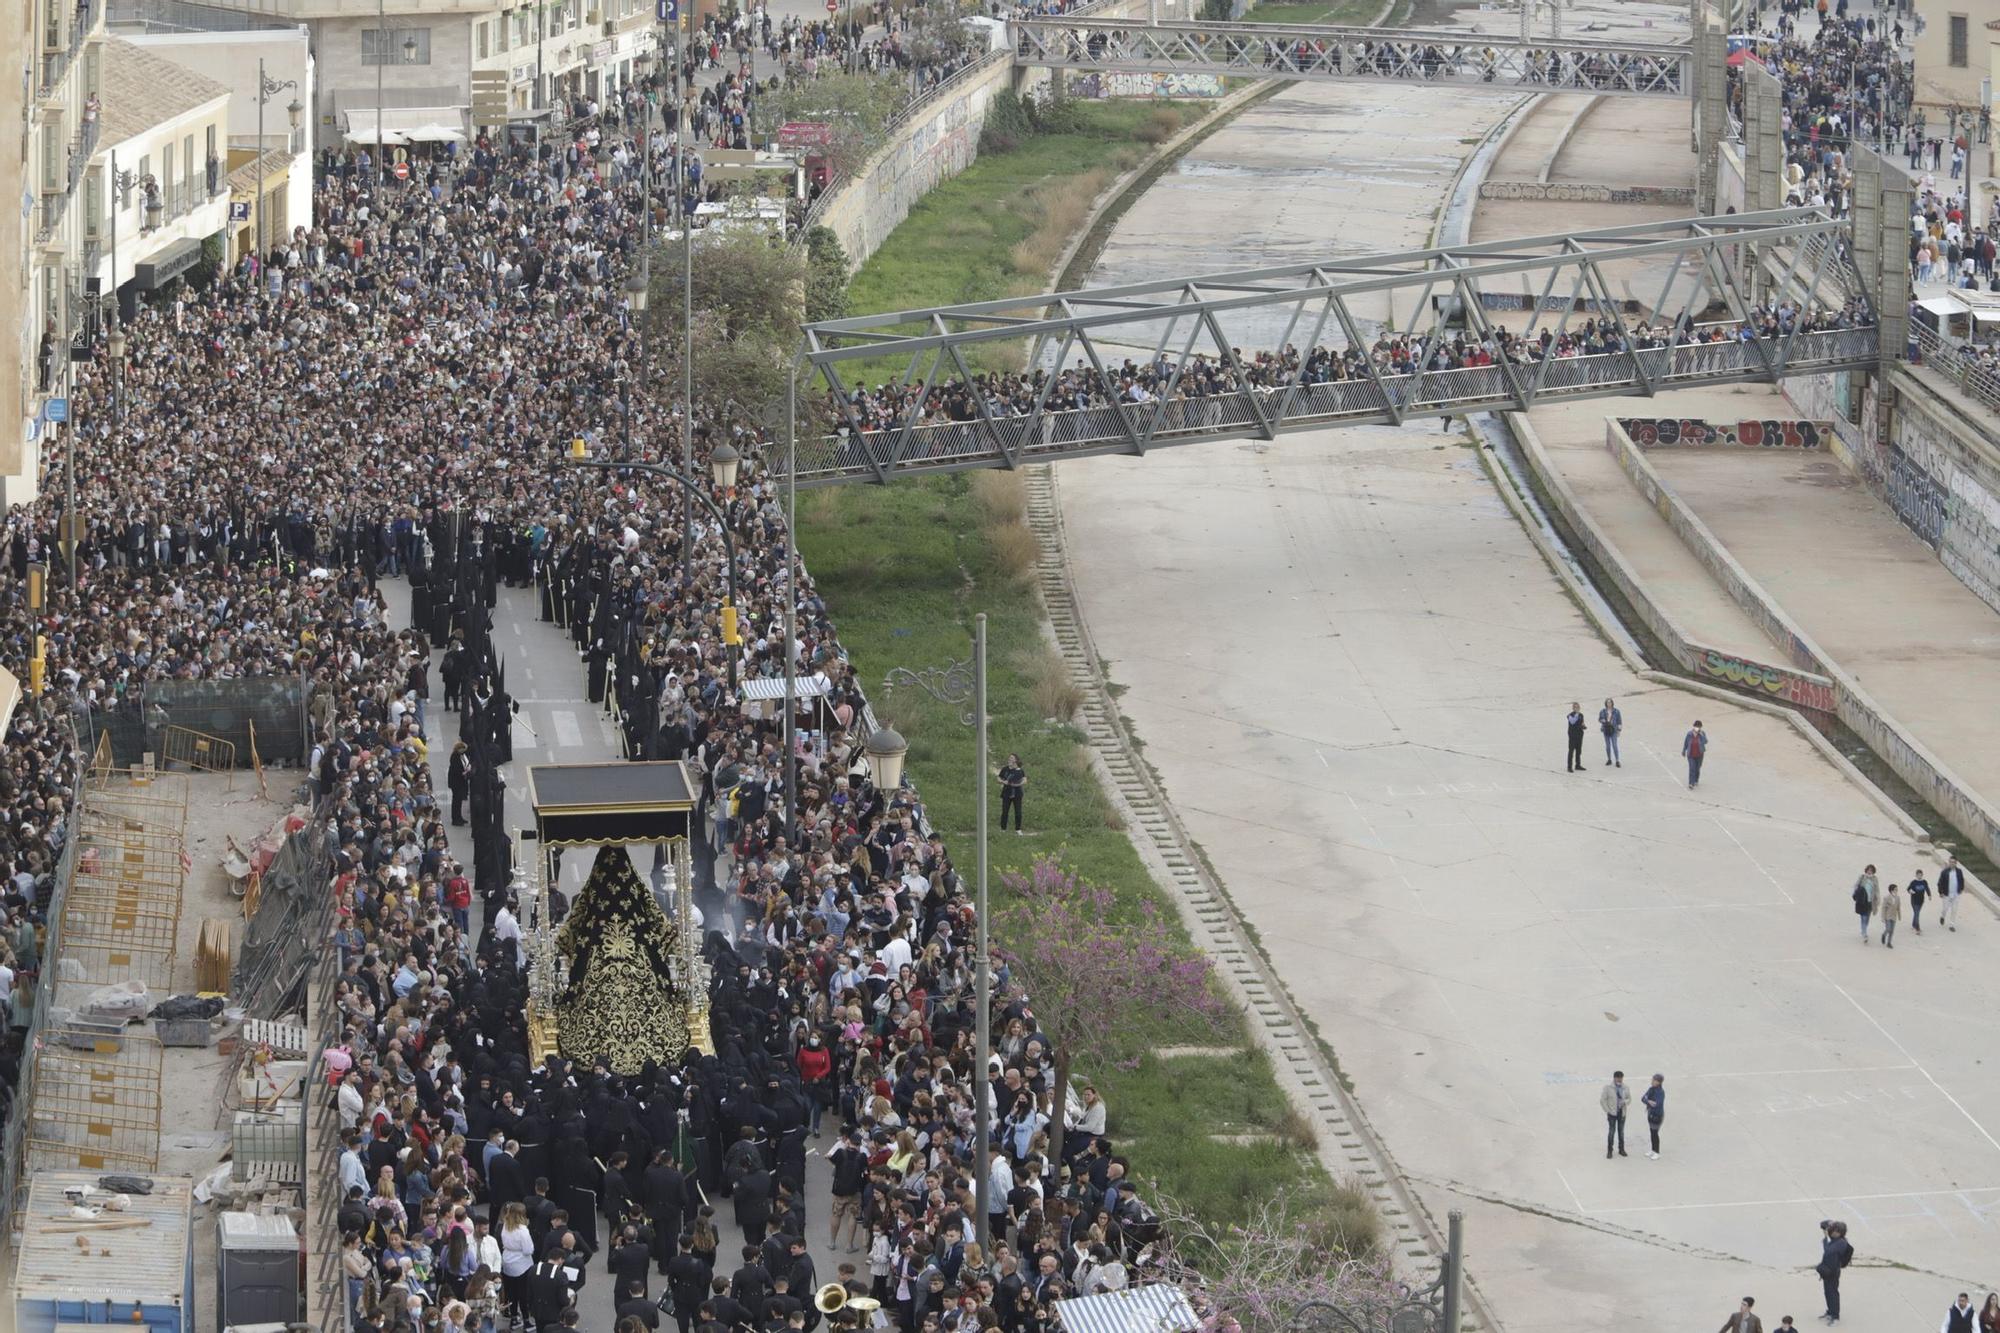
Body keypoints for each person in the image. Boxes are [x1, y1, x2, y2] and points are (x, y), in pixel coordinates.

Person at [1815, 1219, 1852, 1323]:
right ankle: (1830, 1312)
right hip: (1827, 1270)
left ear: (1840, 1233)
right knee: (1827, 1292)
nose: (1832, 1232)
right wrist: (1827, 1229)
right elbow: (1823, 1223)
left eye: (1835, 1231)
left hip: (1833, 1272)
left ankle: (1835, 1317)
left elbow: (1828, 1250)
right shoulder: (1835, 1239)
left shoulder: (1841, 1243)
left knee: (1833, 1293)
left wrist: (1826, 1238)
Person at [1600, 1070, 1629, 1159]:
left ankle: (1621, 1149)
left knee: (1621, 1132)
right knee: (1611, 1132)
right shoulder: (1608, 1088)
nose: (1620, 1080)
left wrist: (1625, 1102)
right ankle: (1609, 1151)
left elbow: (1629, 1098)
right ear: (1614, 1078)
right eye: (1618, 1078)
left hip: (1622, 1113)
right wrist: (1607, 1110)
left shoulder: (1625, 1087)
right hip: (1612, 1114)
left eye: (1621, 1078)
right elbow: (1602, 1100)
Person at [998, 754, 1025, 833]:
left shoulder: (1020, 770)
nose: (1009, 759)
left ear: (1016, 760)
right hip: (1006, 793)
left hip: (1017, 794)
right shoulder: (1005, 769)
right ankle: (1003, 829)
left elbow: (1024, 780)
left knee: (1018, 812)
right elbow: (999, 778)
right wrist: (1003, 782)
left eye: (1012, 758)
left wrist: (1018, 784)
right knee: (1005, 811)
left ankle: (1018, 829)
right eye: (1009, 758)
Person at [1641, 1073, 1666, 1159]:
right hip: (1651, 1114)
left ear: (1658, 1082)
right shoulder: (1651, 1089)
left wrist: (1648, 1101)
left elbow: (1657, 1104)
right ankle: (1653, 1150)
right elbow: (1643, 1098)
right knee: (1652, 1133)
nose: (1652, 1081)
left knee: (1655, 1133)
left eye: (1654, 1080)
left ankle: (1657, 1152)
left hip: (1657, 1115)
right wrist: (1649, 1101)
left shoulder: (1661, 1092)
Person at [1938, 855, 1966, 931]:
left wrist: (1961, 889)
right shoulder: (1944, 872)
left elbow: (1962, 880)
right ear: (1949, 862)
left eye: (1953, 862)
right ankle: (1942, 916)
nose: (1951, 863)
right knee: (1945, 908)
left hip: (1956, 894)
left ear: (1956, 863)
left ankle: (1951, 925)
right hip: (1946, 894)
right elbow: (1940, 883)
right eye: (1950, 862)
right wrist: (1941, 892)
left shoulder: (1959, 871)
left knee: (1954, 910)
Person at [449, 740, 473, 826]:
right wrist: (464, 772)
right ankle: (455, 818)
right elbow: (456, 769)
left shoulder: (461, 755)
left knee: (459, 801)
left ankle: (459, 817)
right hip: (456, 782)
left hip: (460, 781)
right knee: (456, 800)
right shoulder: (454, 757)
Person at [1852, 870, 1877, 944]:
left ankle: (1863, 930)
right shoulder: (1862, 877)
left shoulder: (1875, 879)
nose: (1869, 872)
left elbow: (1877, 890)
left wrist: (1877, 899)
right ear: (1866, 871)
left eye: (1871, 871)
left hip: (1870, 901)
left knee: (1867, 918)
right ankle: (1865, 934)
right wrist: (1855, 894)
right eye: (1868, 870)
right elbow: (1856, 886)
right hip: (1862, 901)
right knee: (1863, 917)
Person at [1683, 720, 1708, 788]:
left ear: (1700, 727)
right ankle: (1691, 783)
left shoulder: (1702, 733)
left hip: (1699, 754)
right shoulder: (1689, 734)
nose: (1697, 727)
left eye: (1699, 726)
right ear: (1694, 726)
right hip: (1691, 754)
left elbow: (1705, 742)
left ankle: (1696, 780)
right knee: (1692, 768)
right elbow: (1686, 743)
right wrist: (1683, 751)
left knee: (1697, 768)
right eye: (1696, 726)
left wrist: (1701, 735)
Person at [1598, 697, 1623, 767]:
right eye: (1608, 702)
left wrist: (1619, 730)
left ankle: (1617, 760)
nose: (1609, 703)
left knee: (1614, 745)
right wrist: (1603, 720)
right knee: (1608, 746)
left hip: (1614, 730)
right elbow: (1599, 719)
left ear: (1612, 703)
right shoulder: (1603, 711)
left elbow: (1619, 721)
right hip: (1606, 729)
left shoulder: (1616, 711)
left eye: (1610, 702)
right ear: (1606, 704)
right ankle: (1609, 759)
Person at [1908, 866, 1931, 934]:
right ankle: (1917, 928)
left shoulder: (1924, 882)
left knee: (1916, 913)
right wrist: (1911, 892)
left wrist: (1929, 895)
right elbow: (1908, 889)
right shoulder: (1913, 882)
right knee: (1917, 913)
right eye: (1918, 875)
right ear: (1916, 875)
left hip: (1921, 900)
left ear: (1922, 875)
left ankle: (1913, 924)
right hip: (1914, 900)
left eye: (1920, 875)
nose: (1919, 876)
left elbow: (1927, 889)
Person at [1565, 703, 1586, 773]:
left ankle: (1578, 765)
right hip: (1572, 735)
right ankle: (1569, 767)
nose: (1577, 708)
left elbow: (1582, 723)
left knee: (1579, 750)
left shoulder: (1581, 715)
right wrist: (1577, 714)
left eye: (1578, 707)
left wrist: (1583, 726)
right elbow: (1573, 722)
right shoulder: (1569, 715)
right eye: (1575, 707)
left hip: (1579, 734)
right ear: (1573, 708)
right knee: (1571, 751)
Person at [1880, 883, 1902, 948]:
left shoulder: (1898, 898)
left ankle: (1889, 942)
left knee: (1892, 930)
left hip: (1894, 916)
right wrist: (1883, 917)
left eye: (1897, 890)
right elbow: (1883, 908)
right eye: (1895, 889)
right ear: (1891, 890)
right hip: (1888, 916)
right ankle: (1884, 935)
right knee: (1888, 928)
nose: (1896, 891)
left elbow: (1898, 907)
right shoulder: (1886, 898)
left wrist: (1899, 915)